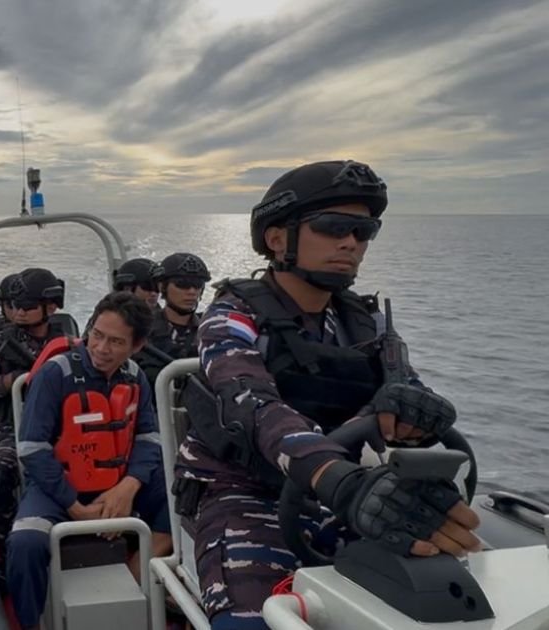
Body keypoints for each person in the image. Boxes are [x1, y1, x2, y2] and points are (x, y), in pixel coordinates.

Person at [175, 160, 479, 630]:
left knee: (446, 603)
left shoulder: (365, 324)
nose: (351, 243)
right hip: (241, 492)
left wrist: (419, 412)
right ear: (278, 239)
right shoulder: (231, 316)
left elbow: (404, 389)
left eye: (364, 230)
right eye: (334, 227)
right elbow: (250, 402)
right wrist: (337, 477)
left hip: (340, 492)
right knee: (254, 622)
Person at [6, 291, 170, 629]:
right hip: (59, 485)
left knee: (182, 501)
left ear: (136, 346)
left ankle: (138, 575)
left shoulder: (135, 377)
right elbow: (32, 449)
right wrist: (74, 507)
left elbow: (148, 437)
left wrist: (127, 487)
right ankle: (30, 622)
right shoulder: (56, 375)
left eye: (115, 341)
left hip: (120, 479)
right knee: (25, 543)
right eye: (96, 334)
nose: (100, 348)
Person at [0, 268, 69, 531]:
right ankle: (2, 539)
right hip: (13, 428)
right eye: (16, 305)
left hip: (65, 427)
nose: (19, 312)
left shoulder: (69, 342)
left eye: (28, 305)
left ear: (51, 307)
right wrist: (9, 381)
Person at [136, 252, 211, 387]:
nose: (192, 291)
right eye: (182, 284)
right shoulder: (141, 329)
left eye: (197, 284)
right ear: (162, 287)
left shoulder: (211, 331)